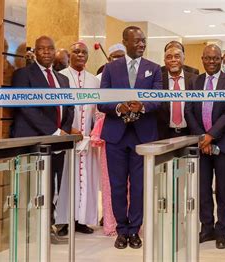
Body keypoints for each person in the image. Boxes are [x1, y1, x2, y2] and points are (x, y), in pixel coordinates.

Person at [97, 26, 162, 250]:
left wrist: (142, 106)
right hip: (116, 136)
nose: (142, 45)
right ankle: (121, 230)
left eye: (144, 41)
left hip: (142, 137)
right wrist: (118, 107)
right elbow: (101, 102)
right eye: (137, 41)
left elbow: (159, 99)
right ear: (125, 42)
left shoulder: (154, 69)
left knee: (138, 187)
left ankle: (135, 230)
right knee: (117, 186)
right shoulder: (110, 68)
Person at [10, 36, 74, 243]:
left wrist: (63, 132)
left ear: (55, 51)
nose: (46, 52)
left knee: (50, 187)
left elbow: (69, 108)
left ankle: (47, 228)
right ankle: (25, 231)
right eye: (41, 49)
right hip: (32, 141)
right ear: (35, 52)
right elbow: (26, 107)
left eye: (50, 49)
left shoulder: (62, 79)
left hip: (56, 144)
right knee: (29, 188)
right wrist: (54, 132)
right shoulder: (23, 75)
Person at [184, 44, 225, 249]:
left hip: (224, 144)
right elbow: (188, 111)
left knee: (224, 190)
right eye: (208, 58)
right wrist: (202, 137)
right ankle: (206, 228)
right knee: (203, 189)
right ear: (202, 59)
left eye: (216, 58)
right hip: (201, 144)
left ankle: (221, 231)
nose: (211, 62)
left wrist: (211, 136)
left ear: (222, 59)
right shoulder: (194, 82)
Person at [56, 41, 100, 236]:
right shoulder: (61, 78)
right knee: (66, 179)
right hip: (67, 138)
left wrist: (95, 130)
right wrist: (68, 128)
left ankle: (82, 219)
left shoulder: (94, 81)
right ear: (69, 55)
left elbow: (98, 111)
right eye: (76, 52)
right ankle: (64, 220)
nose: (80, 55)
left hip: (87, 140)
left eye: (84, 52)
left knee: (86, 180)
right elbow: (56, 110)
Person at [156, 45, 197, 140]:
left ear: (183, 58)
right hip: (164, 135)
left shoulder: (195, 80)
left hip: (190, 134)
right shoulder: (158, 81)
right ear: (164, 61)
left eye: (177, 56)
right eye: (169, 57)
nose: (173, 60)